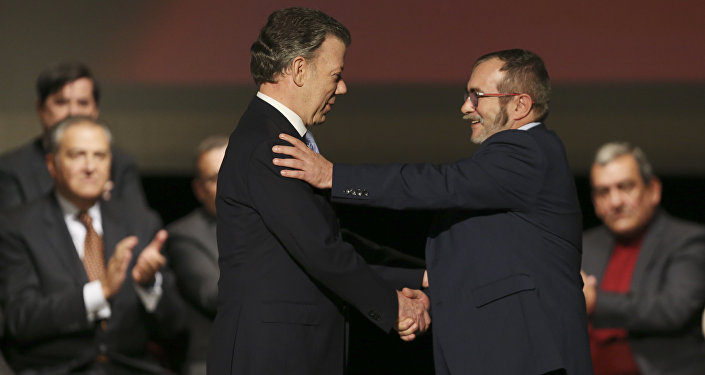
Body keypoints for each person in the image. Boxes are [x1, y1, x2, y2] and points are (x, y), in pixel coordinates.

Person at [273, 49, 593, 374]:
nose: (465, 107)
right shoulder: (508, 172)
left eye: (477, 96)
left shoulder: (529, 150)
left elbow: (440, 184)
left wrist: (334, 176)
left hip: (529, 359)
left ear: (520, 105)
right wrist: (431, 292)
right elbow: (487, 260)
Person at [207, 7, 429, 375]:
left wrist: (417, 277)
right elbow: (321, 250)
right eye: (336, 75)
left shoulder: (278, 136)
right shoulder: (268, 143)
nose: (343, 87)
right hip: (271, 357)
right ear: (298, 70)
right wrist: (394, 307)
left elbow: (329, 239)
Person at [0, 116, 186, 374]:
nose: (90, 166)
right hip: (57, 369)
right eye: (77, 155)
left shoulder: (140, 222)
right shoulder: (18, 225)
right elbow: (20, 320)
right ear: (52, 164)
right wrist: (101, 291)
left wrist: (148, 286)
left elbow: (176, 326)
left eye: (100, 156)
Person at [581, 142, 705, 375]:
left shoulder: (688, 240)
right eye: (603, 192)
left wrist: (595, 302)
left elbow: (672, 310)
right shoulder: (583, 245)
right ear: (595, 202)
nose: (615, 201)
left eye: (625, 187)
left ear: (653, 190)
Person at [0, 61, 147, 212]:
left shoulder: (120, 163)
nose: (72, 112)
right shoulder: (12, 168)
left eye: (82, 103)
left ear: (95, 110)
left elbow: (140, 223)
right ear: (41, 109)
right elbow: (10, 229)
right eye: (61, 102)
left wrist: (103, 205)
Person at [166, 135, 227, 375]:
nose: (226, 183)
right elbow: (214, 295)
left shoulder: (273, 225)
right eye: (214, 178)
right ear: (199, 190)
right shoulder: (184, 235)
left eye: (232, 171)